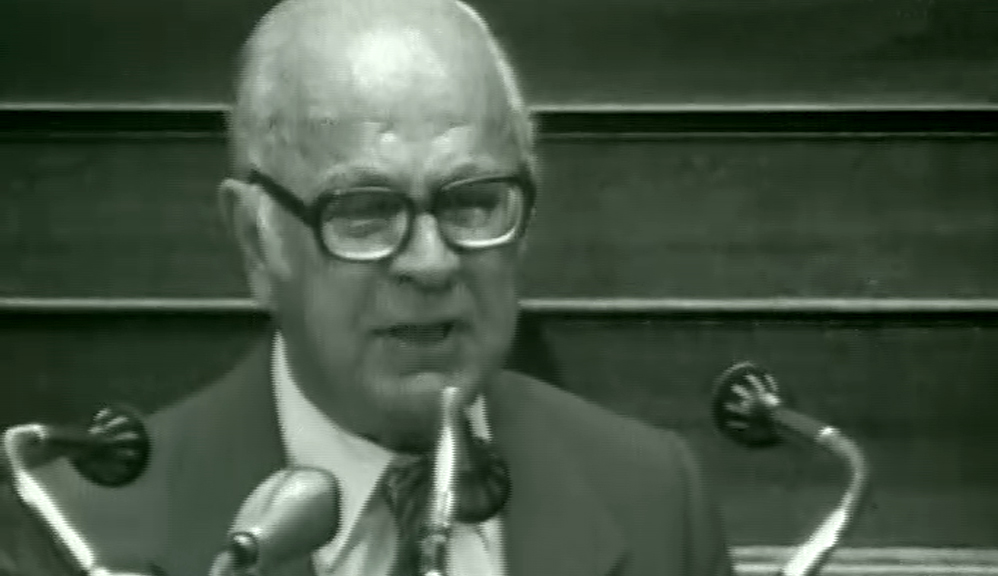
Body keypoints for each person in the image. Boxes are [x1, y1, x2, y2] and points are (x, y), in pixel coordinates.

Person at [0, 0, 736, 574]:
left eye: (473, 203)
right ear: (256, 239)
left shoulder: (653, 497)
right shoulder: (76, 533)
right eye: (364, 212)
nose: (431, 263)